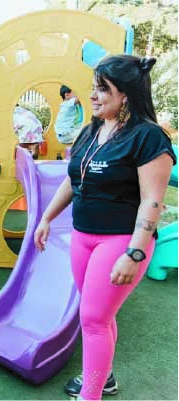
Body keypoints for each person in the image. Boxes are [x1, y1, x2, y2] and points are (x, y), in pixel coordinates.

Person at [33, 55, 175, 400]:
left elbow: (152, 201)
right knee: (101, 314)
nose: (92, 96)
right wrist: (46, 217)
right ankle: (104, 377)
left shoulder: (148, 137)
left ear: (124, 93)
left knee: (94, 319)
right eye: (94, 88)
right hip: (83, 236)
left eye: (102, 89)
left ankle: (90, 395)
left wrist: (135, 252)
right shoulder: (94, 129)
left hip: (121, 239)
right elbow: (74, 180)